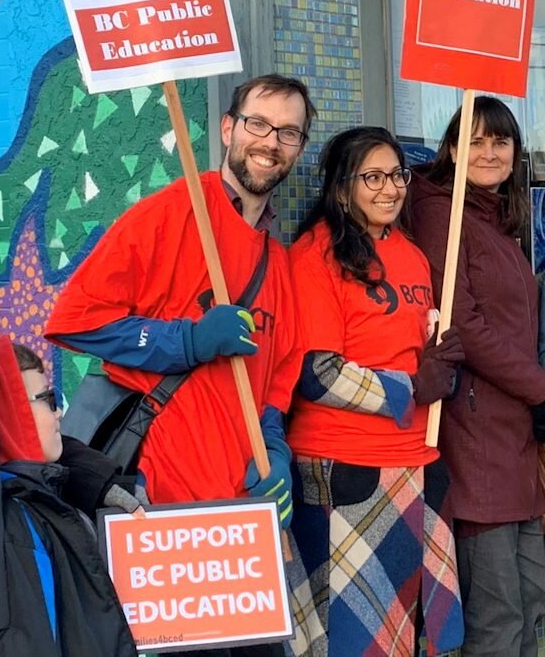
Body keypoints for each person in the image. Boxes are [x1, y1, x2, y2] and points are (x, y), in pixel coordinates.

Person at [45, 74, 322, 657]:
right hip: (160, 516)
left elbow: (274, 386)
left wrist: (275, 450)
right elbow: (74, 319)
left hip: (242, 529)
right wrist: (187, 341)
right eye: (258, 124)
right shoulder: (169, 214)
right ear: (228, 128)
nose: (270, 142)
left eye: (288, 132)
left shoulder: (279, 263)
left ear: (299, 148)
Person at [287, 127, 465, 655]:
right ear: (342, 188)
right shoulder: (314, 255)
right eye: (373, 177)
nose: (390, 188)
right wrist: (412, 386)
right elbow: (318, 373)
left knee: (413, 637)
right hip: (347, 467)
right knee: (353, 640)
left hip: (418, 463)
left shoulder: (411, 254)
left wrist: (440, 361)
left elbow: (415, 355)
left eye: (396, 175)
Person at [409, 96, 545, 657]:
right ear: (451, 149)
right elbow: (462, 323)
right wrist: (540, 387)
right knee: (498, 620)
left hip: (517, 438)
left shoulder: (498, 217)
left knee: (531, 605)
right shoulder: (440, 212)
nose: (489, 152)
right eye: (475, 140)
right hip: (475, 436)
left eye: (500, 141)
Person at [0, 337, 136, 657]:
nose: (60, 413)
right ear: (8, 410)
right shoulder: (10, 522)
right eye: (48, 399)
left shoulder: (24, 501)